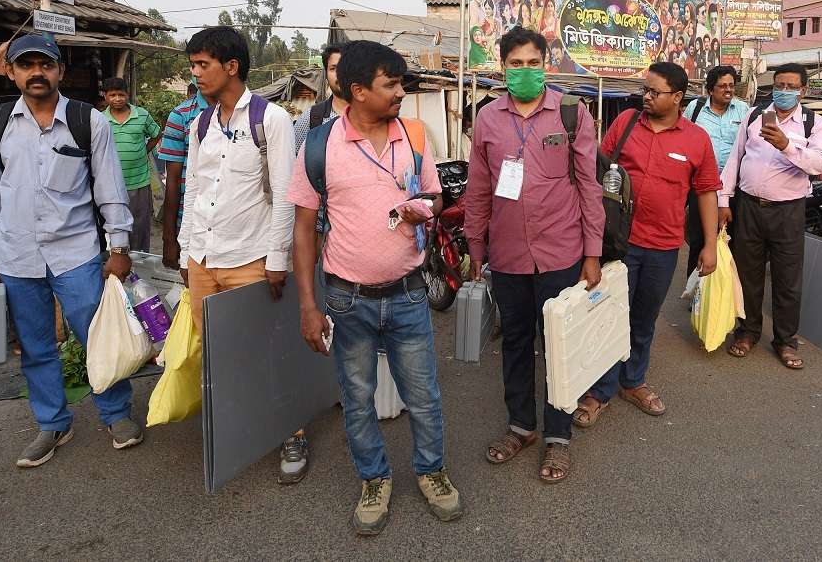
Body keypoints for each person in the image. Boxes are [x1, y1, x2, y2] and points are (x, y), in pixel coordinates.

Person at [290, 40, 460, 536]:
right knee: (358, 398)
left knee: (424, 396)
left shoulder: (413, 136)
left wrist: (421, 207)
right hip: (347, 301)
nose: (401, 93)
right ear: (358, 91)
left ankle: (432, 473)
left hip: (408, 294)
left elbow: (432, 193)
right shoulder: (319, 146)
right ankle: (374, 479)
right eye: (391, 84)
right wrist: (308, 305)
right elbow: (302, 228)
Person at [0, 33, 140, 467]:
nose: (36, 73)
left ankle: (116, 414)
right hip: (17, 256)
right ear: (13, 72)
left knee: (96, 337)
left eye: (45, 65)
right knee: (36, 346)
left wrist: (118, 246)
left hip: (76, 253)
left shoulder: (88, 120)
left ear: (60, 71)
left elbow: (110, 189)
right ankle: (52, 423)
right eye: (27, 65)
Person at [464, 27, 603, 483]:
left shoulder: (570, 112)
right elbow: (479, 188)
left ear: (547, 64)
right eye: (516, 63)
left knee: (559, 347)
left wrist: (593, 253)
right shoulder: (487, 119)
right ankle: (521, 426)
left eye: (533, 62)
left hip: (561, 253)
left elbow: (588, 186)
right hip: (507, 256)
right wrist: (475, 247)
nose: (525, 71)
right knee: (517, 343)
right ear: (502, 67)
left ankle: (558, 437)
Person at [176, 27, 298, 478]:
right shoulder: (200, 124)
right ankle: (239, 428)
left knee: (266, 350)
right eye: (192, 65)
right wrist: (188, 253)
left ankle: (291, 433)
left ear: (231, 66)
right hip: (204, 261)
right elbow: (194, 192)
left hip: (251, 260)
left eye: (202, 64)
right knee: (218, 356)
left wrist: (277, 259)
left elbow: (285, 195)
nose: (195, 73)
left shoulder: (272, 121)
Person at [573, 62, 721, 426]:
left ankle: (633, 381)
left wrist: (710, 245)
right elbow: (596, 172)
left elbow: (706, 192)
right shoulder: (624, 124)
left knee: (643, 318)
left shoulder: (696, 139)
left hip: (663, 246)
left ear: (677, 97)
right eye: (646, 90)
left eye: (655, 92)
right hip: (617, 243)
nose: (647, 97)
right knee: (608, 315)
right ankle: (600, 391)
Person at [718, 63, 822, 370]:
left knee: (787, 280)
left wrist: (786, 145)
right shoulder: (754, 117)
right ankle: (748, 331)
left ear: (803, 90)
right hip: (749, 207)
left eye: (790, 86)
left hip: (788, 211)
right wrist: (724, 200)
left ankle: (785, 340)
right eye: (779, 85)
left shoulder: (813, 124)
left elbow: (819, 162)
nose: (783, 91)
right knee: (747, 274)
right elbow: (735, 158)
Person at [682, 65, 749, 275]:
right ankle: (696, 291)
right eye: (722, 86)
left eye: (731, 86)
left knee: (732, 240)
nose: (728, 90)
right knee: (700, 238)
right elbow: (681, 137)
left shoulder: (743, 110)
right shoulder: (696, 107)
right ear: (710, 89)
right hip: (700, 186)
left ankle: (724, 294)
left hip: (733, 188)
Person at [101, 77, 161, 253]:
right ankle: (118, 265)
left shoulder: (141, 115)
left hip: (139, 183)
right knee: (114, 227)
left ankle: (141, 263)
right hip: (111, 185)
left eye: (121, 94)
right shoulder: (100, 119)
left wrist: (144, 151)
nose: (117, 99)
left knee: (140, 226)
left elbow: (156, 134)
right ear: (105, 96)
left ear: (128, 95)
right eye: (113, 95)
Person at [159, 81, 207, 270]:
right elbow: (173, 180)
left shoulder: (252, 114)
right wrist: (169, 237)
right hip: (191, 222)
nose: (198, 71)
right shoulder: (181, 115)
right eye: (195, 64)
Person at [292, 45, 345, 143]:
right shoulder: (310, 119)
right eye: (333, 68)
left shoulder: (373, 117)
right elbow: (295, 156)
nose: (340, 74)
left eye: (346, 67)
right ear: (326, 74)